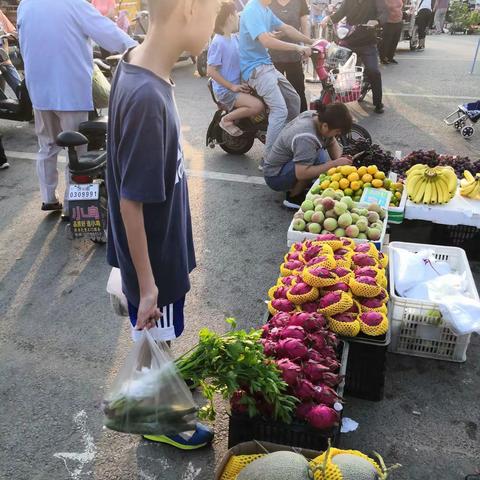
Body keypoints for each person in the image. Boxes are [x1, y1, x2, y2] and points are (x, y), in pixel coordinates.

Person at [106, 0, 219, 449]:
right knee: (156, 332)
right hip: (155, 260)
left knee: (158, 335)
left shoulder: (137, 61)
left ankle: (161, 391)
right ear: (190, 8)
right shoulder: (147, 98)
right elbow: (130, 203)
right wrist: (149, 285)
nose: (214, 25)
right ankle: (161, 420)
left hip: (158, 250)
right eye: (214, 13)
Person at [17, 0, 135, 215]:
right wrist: (135, 48)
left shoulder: (26, 4)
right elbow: (106, 31)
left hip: (39, 90)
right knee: (77, 150)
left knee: (47, 146)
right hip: (69, 89)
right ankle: (72, 205)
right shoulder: (72, 3)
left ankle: (48, 198)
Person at [239, 0, 313, 162]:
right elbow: (266, 41)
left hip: (266, 64)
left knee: (294, 99)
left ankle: (285, 141)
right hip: (255, 69)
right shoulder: (253, 9)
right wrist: (297, 47)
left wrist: (310, 41)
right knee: (280, 111)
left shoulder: (265, 9)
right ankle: (269, 160)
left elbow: (286, 28)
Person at [263, 103, 354, 208]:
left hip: (287, 163)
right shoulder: (306, 137)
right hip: (275, 176)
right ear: (325, 126)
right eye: (337, 131)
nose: (337, 135)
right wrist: (334, 164)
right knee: (315, 160)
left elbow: (331, 141)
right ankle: (293, 197)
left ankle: (299, 186)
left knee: (319, 157)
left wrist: (342, 162)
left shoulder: (318, 117)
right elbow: (302, 173)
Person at [207, 1, 264, 137]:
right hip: (226, 90)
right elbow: (210, 70)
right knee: (257, 106)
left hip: (238, 85)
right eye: (236, 14)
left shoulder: (233, 38)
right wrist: (232, 86)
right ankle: (226, 120)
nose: (239, 17)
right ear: (229, 17)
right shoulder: (218, 42)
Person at [321, 0, 386, 114]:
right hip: (348, 41)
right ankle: (328, 100)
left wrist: (377, 21)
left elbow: (384, 13)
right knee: (332, 67)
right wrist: (328, 18)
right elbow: (340, 13)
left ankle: (378, 102)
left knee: (373, 70)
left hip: (368, 42)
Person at [270, 0, 311, 112]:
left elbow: (305, 24)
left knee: (298, 91)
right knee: (275, 94)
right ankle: (279, 123)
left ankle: (302, 122)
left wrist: (307, 45)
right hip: (272, 55)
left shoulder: (300, 2)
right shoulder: (267, 2)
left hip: (294, 55)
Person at [379, 0, 404, 64]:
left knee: (395, 40)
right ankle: (383, 58)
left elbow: (401, 5)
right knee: (386, 41)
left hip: (398, 21)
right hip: (389, 21)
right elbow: (386, 6)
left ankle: (390, 57)